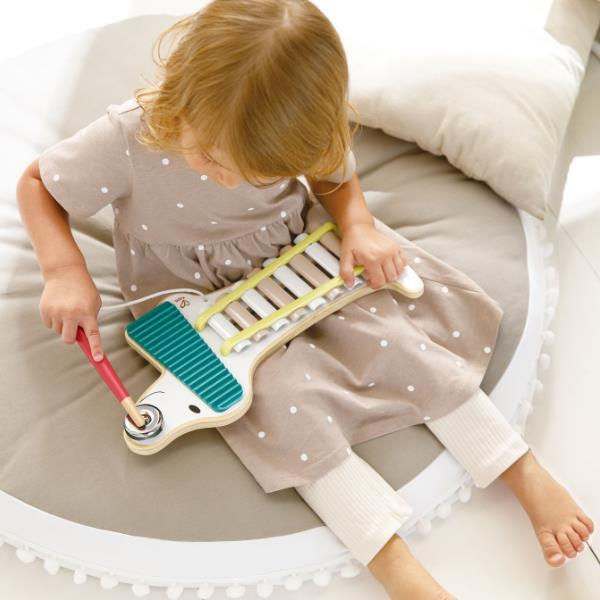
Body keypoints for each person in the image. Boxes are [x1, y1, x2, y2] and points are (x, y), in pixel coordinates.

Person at [16, 2, 594, 598]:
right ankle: (393, 563)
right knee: (279, 408)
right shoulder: (126, 136)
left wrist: (359, 224)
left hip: (292, 252)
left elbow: (333, 176)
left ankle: (520, 467)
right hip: (187, 295)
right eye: (210, 157)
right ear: (182, 94)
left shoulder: (292, 127)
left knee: (400, 342)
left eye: (255, 171)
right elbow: (37, 184)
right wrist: (64, 271)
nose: (226, 177)